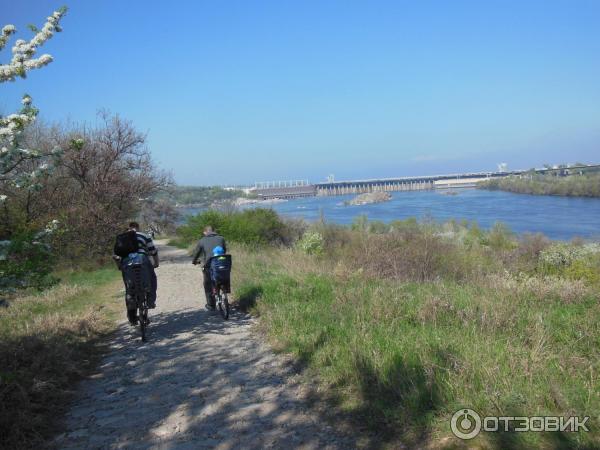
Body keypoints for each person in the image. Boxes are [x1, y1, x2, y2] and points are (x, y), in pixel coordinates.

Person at [114, 221, 159, 325]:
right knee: (152, 280)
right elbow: (153, 251)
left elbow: (116, 256)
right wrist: (156, 263)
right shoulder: (144, 236)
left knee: (129, 287)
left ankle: (132, 317)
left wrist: (119, 267)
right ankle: (150, 301)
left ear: (128, 228)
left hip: (127, 262)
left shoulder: (122, 237)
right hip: (143, 259)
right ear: (137, 227)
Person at [191, 225, 226, 309]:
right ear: (214, 231)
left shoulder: (202, 240)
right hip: (222, 264)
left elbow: (196, 253)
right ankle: (224, 291)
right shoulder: (221, 238)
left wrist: (194, 261)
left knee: (207, 283)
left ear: (205, 232)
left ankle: (211, 305)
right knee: (223, 276)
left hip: (209, 265)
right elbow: (224, 250)